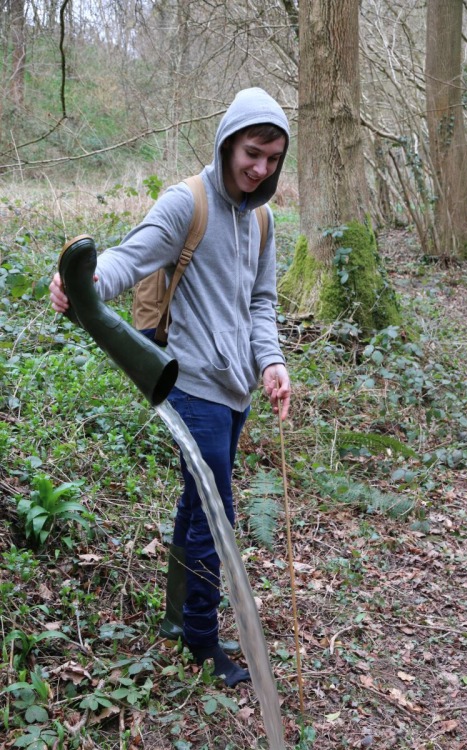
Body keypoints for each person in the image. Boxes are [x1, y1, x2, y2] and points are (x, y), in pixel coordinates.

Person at [50, 87, 291, 687]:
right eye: (253, 152)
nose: (260, 167)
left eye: (272, 159)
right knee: (217, 517)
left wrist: (271, 363)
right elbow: (129, 259)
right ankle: (205, 645)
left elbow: (260, 302)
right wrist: (82, 285)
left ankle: (177, 620)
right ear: (229, 141)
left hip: (237, 392)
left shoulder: (261, 218)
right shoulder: (188, 203)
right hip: (191, 387)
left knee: (196, 503)